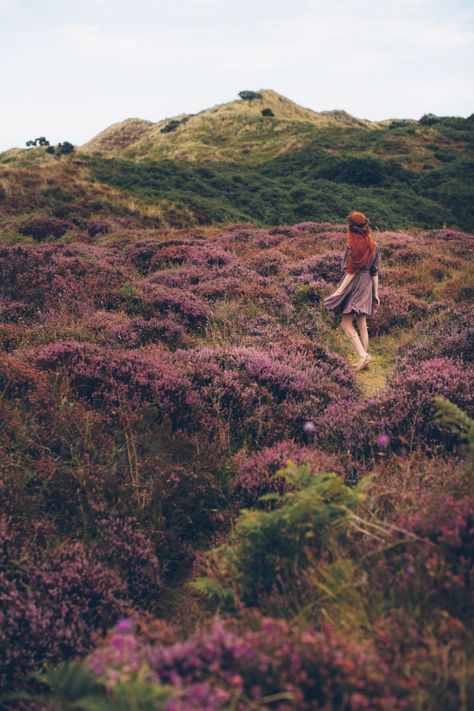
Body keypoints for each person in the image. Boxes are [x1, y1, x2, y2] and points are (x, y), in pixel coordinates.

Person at [323, 211, 382, 372]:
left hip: (355, 285)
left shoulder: (353, 247)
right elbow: (375, 272)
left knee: (346, 323)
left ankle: (363, 356)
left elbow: (351, 271)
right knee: (362, 324)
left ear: (351, 228)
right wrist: (375, 293)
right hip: (367, 285)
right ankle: (364, 361)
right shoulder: (374, 246)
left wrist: (339, 291)